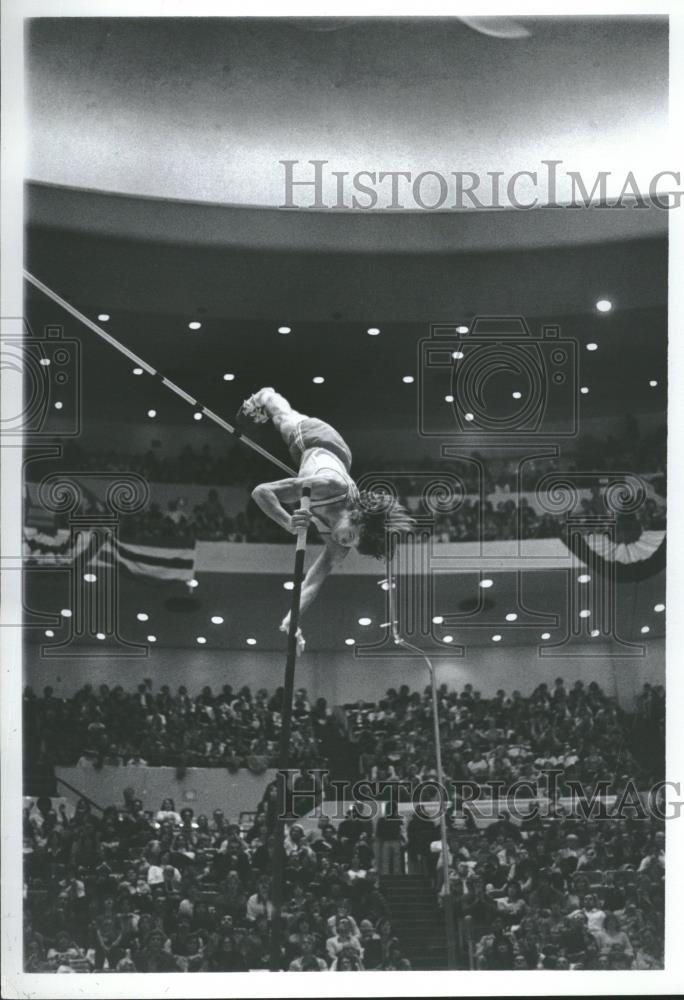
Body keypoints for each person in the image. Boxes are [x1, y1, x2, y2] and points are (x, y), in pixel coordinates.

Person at [241, 387, 413, 651]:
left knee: (290, 421)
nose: (344, 541)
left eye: (350, 544)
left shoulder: (341, 544)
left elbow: (312, 581)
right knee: (283, 419)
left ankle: (270, 401)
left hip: (339, 457)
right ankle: (265, 396)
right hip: (314, 440)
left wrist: (291, 619)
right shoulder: (330, 486)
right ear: (357, 516)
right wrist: (287, 522)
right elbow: (261, 492)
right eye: (351, 536)